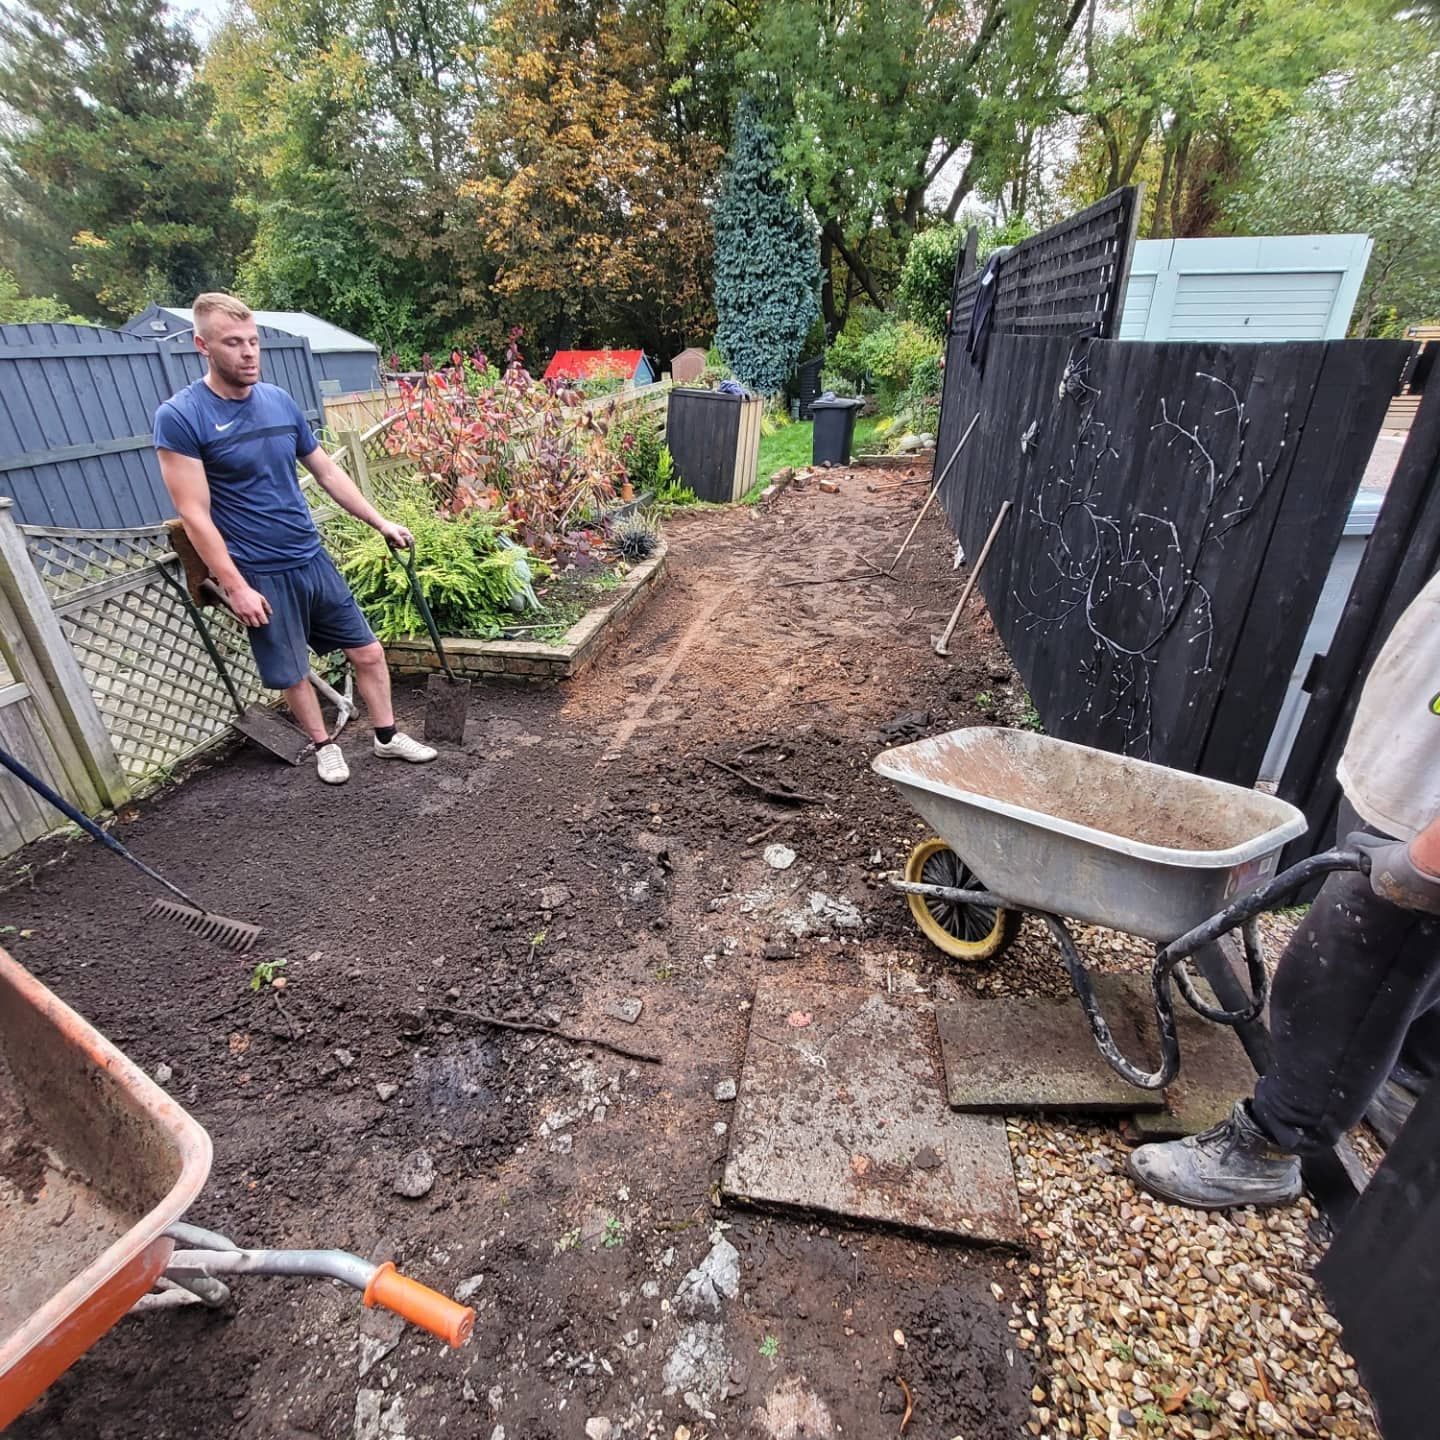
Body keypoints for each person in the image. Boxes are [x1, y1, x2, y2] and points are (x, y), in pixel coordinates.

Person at [1128, 569, 1440, 1209]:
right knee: (1408, 983)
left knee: (1335, 980)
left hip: (1424, 828)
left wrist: (1430, 859)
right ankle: (1400, 1081)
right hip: (1408, 792)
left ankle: (1269, 1148)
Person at [154, 293, 436, 785]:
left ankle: (387, 738)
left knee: (367, 651)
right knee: (290, 670)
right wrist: (235, 584)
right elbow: (195, 515)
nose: (247, 353)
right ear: (203, 345)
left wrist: (381, 521)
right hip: (257, 569)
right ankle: (324, 744)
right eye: (233, 343)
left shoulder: (279, 401)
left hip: (310, 555)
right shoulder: (181, 417)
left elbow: (327, 471)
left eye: (253, 341)